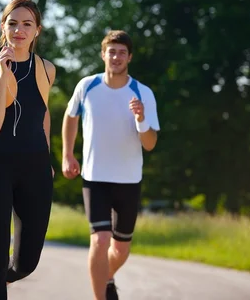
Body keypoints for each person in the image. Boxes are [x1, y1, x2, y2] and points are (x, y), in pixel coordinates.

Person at [61, 30, 159, 300]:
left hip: (129, 180)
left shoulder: (143, 93)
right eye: (111, 51)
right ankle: (99, 295)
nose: (116, 57)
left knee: (121, 250)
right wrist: (67, 154)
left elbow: (150, 143)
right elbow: (70, 118)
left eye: (122, 52)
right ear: (103, 54)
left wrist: (140, 118)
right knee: (100, 240)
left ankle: (104, 276)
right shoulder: (87, 86)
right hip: (95, 178)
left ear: (130, 57)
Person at [0, 0, 56, 300]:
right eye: (13, 23)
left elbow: (43, 114)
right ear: (3, 28)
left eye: (27, 24)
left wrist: (47, 158)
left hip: (34, 168)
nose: (19, 30)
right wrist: (5, 76)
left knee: (26, 263)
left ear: (37, 31)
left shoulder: (47, 68)